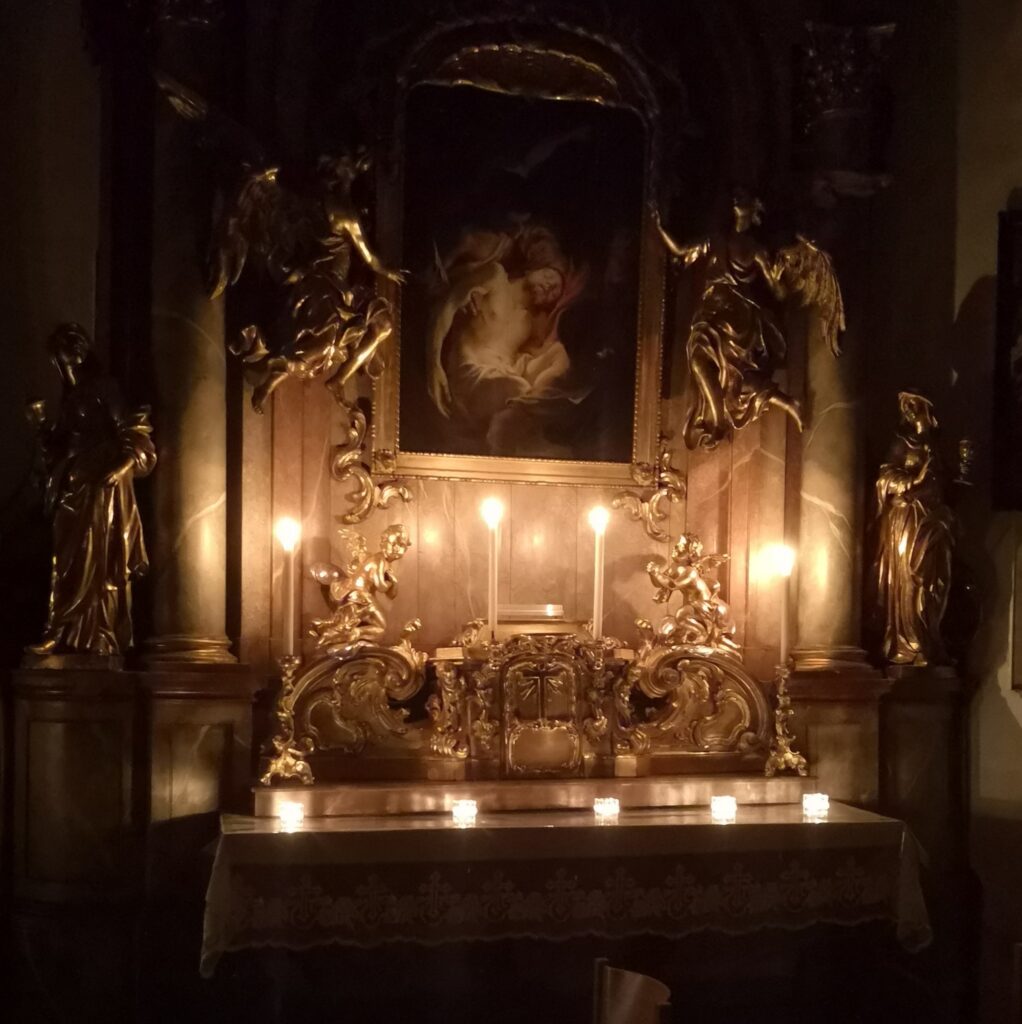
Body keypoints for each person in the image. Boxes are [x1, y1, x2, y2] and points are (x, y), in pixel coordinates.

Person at [26, 324, 156, 657]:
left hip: (98, 485)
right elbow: (57, 447)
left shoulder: (103, 387)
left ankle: (98, 634)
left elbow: (130, 430)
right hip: (71, 486)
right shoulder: (70, 397)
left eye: (66, 358)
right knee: (65, 563)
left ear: (80, 354)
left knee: (96, 558)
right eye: (58, 361)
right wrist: (40, 426)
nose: (63, 366)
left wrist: (121, 467)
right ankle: (61, 630)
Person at [874, 389, 955, 666]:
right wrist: (913, 482)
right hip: (908, 518)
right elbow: (885, 476)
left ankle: (930, 639)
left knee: (936, 580)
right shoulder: (902, 441)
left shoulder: (938, 446)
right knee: (911, 576)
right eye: (905, 405)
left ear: (927, 408)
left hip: (935, 521)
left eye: (914, 404)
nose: (909, 409)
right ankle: (909, 643)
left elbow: (947, 488)